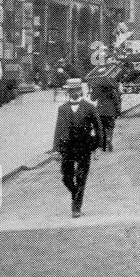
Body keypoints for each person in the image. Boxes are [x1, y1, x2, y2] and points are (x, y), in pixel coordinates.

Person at [52, 78, 102, 218]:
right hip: (67, 148)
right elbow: (58, 129)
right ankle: (75, 193)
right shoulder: (62, 109)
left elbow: (98, 128)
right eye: (70, 90)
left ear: (80, 90)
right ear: (68, 92)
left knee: (81, 177)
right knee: (66, 178)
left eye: (75, 90)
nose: (72, 92)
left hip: (84, 147)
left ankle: (76, 207)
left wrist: (97, 147)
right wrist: (55, 149)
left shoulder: (90, 107)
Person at [91, 75, 121, 153]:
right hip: (110, 113)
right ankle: (109, 138)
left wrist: (93, 90)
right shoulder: (112, 91)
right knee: (110, 127)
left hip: (100, 112)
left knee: (102, 128)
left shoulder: (98, 90)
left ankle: (103, 145)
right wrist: (118, 111)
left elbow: (92, 99)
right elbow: (116, 102)